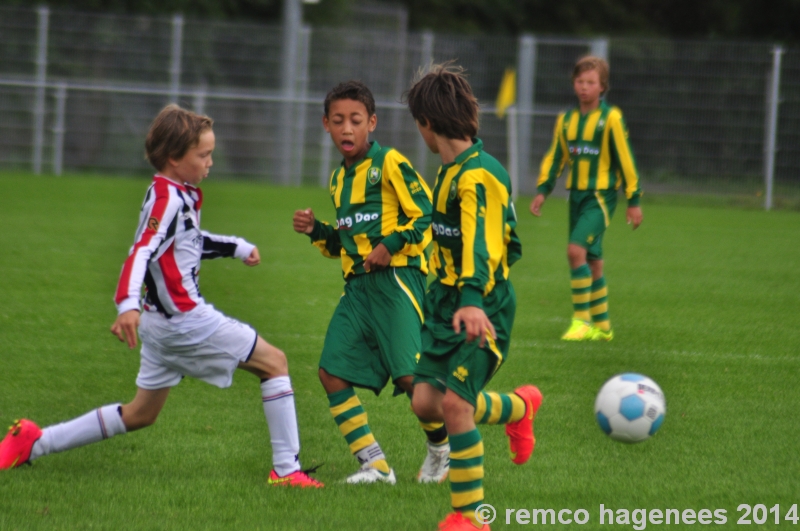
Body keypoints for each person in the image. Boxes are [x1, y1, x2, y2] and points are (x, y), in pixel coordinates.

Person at [0, 104, 322, 488]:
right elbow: (141, 250)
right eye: (203, 155)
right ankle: (286, 471)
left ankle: (33, 443)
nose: (211, 162)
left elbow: (187, 242)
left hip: (160, 324)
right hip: (184, 320)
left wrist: (236, 247)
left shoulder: (173, 193)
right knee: (275, 363)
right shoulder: (168, 199)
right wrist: (127, 305)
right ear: (174, 157)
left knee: (140, 414)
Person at [404, 63, 543, 531]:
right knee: (426, 401)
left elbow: (482, 244)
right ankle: (521, 408)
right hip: (446, 306)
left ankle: (469, 516)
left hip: (481, 306)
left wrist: (471, 299)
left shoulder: (478, 176)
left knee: (457, 407)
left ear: (426, 122)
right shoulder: (448, 171)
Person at [292, 81, 450, 485]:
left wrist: (391, 244)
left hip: (397, 280)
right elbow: (343, 243)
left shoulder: (391, 163)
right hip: (358, 288)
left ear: (372, 123)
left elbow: (426, 214)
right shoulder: (337, 180)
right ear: (326, 125)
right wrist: (315, 230)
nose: (347, 129)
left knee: (414, 384)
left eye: (356, 121)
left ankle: (442, 452)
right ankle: (375, 466)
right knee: (331, 372)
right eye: (339, 121)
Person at [530, 55, 643, 341]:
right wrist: (543, 190)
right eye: (580, 82)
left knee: (574, 251)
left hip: (601, 197)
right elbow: (556, 156)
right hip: (576, 197)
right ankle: (603, 326)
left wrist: (634, 199)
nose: (584, 87)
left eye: (591, 82)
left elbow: (625, 159)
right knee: (593, 261)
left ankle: (581, 321)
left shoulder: (611, 119)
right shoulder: (566, 120)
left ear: (602, 87)